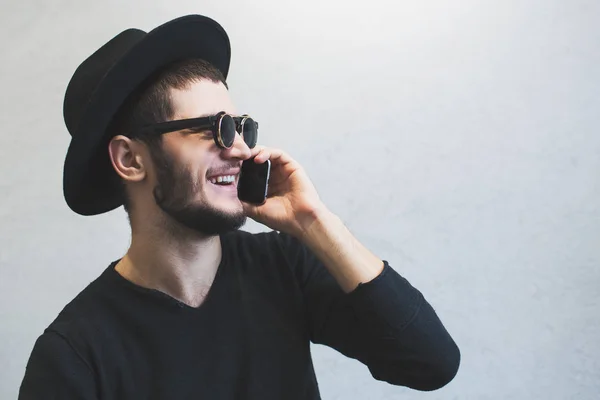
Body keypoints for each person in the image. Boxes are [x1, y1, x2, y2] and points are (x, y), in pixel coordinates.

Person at [18, 14, 460, 399]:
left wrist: (315, 222)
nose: (243, 149)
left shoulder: (284, 266)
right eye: (215, 130)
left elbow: (430, 365)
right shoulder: (74, 353)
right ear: (131, 159)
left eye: (241, 126)